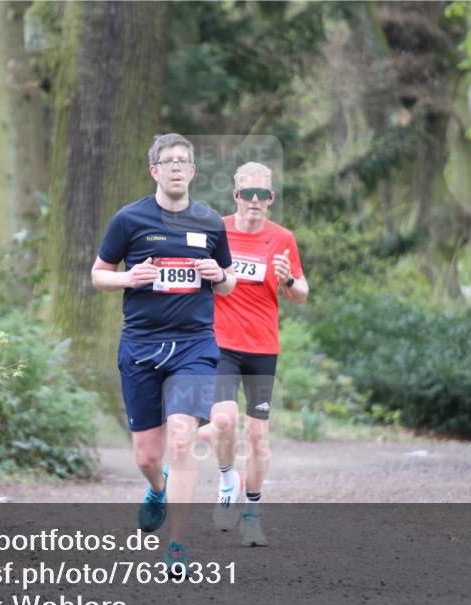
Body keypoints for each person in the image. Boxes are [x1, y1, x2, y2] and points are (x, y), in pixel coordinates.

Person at [90, 133, 236, 571]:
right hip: (141, 346)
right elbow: (99, 275)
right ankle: (157, 488)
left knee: (181, 436)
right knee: (148, 457)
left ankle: (177, 544)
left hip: (194, 344)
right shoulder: (130, 219)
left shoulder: (210, 222)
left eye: (184, 161)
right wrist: (128, 279)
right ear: (155, 170)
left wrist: (218, 274)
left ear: (192, 171)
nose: (176, 167)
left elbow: (228, 282)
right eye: (168, 161)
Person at [204, 161, 309, 547]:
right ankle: (226, 477)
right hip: (221, 342)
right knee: (223, 420)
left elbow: (301, 294)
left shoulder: (283, 239)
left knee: (259, 436)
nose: (253, 200)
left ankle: (251, 516)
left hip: (263, 347)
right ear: (235, 196)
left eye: (261, 194)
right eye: (246, 193)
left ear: (270, 199)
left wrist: (289, 280)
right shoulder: (216, 229)